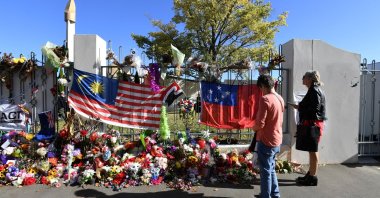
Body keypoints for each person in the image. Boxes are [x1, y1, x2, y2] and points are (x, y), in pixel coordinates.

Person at [289, 70, 326, 186]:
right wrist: (299, 106)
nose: (302, 79)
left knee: (313, 151)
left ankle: (312, 178)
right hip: (314, 123)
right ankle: (310, 174)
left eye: (304, 77)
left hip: (313, 124)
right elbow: (311, 106)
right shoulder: (314, 90)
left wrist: (300, 108)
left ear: (310, 79)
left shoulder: (314, 90)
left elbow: (314, 109)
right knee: (312, 150)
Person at [252, 74, 284, 198]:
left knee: (265, 171)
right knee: (271, 169)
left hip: (266, 140)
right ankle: (275, 194)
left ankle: (266, 196)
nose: (261, 91)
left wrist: (253, 127)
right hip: (277, 138)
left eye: (260, 88)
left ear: (263, 86)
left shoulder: (265, 99)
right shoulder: (279, 98)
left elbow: (260, 123)